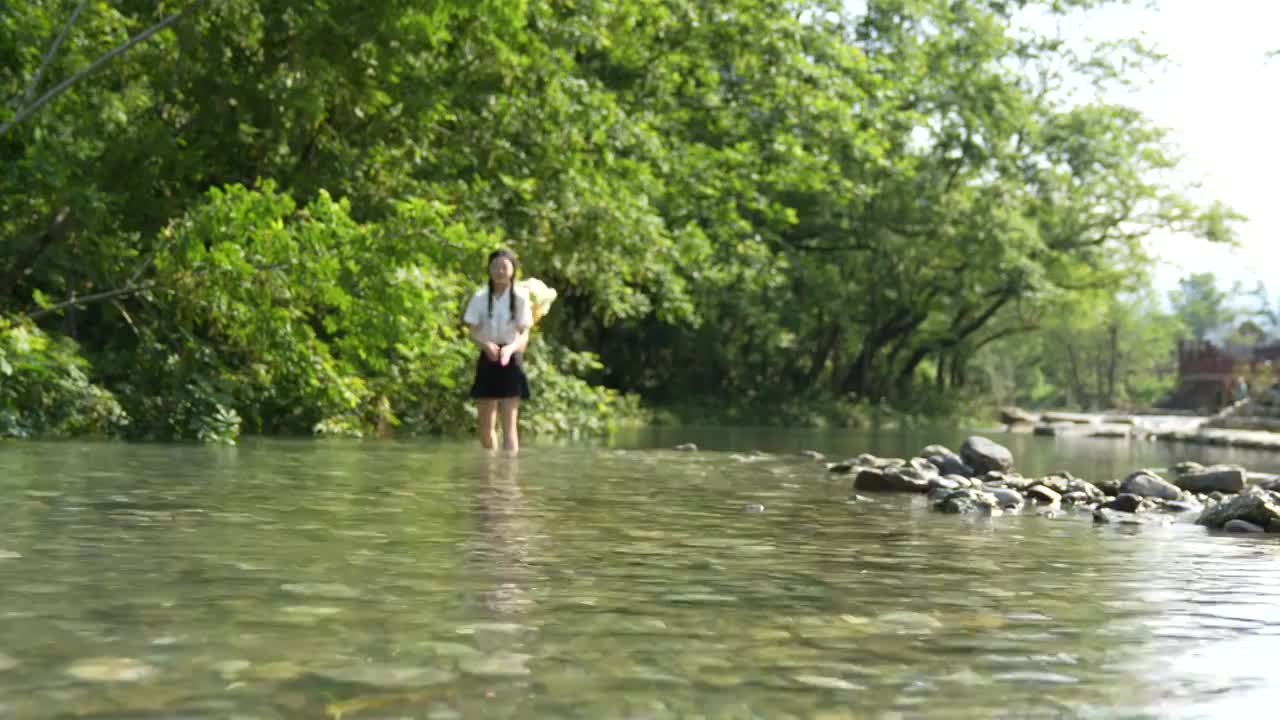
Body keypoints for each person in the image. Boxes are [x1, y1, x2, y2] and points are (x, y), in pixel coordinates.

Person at [463, 249, 534, 453]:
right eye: (495, 267)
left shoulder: (520, 297)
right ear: (489, 269)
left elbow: (524, 334)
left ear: (512, 270)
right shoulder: (480, 296)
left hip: (511, 357)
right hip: (488, 354)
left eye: (504, 267)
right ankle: (490, 471)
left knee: (510, 426)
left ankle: (508, 477)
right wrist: (486, 345)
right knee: (486, 427)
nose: (500, 271)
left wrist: (510, 349)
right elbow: (472, 331)